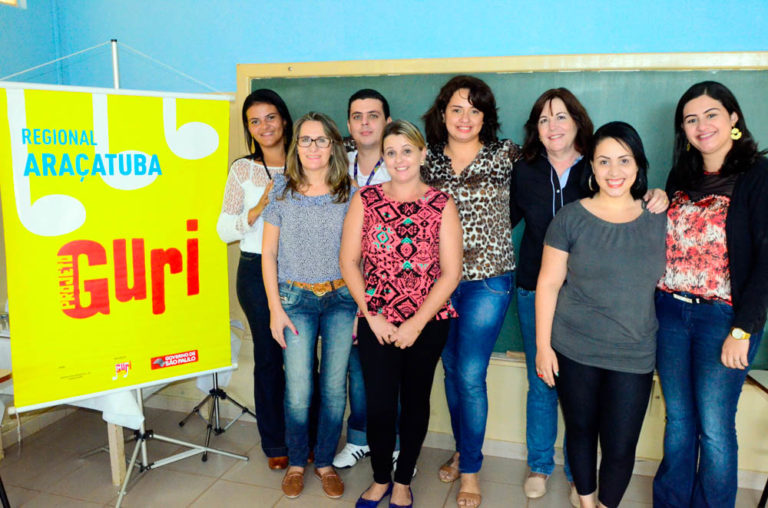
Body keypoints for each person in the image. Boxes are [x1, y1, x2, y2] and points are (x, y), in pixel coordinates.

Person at [510, 89, 668, 505]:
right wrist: (543, 347)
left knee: (620, 446)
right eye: (604, 161)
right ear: (592, 169)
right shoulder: (569, 217)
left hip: (633, 352)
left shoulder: (659, 218)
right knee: (579, 430)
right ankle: (581, 497)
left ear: (638, 166)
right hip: (574, 344)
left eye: (624, 160)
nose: (614, 171)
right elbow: (547, 284)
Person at [653, 81, 768, 508]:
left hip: (724, 319)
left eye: (711, 114)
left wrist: (743, 330)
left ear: (733, 117)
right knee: (678, 421)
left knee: (715, 428)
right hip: (669, 312)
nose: (702, 126)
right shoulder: (680, 176)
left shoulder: (758, 175)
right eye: (691, 119)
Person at [340, 119, 462, 508]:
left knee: (414, 402)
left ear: (422, 154)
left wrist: (415, 324)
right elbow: (348, 262)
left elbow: (451, 272)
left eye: (407, 150)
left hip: (427, 323)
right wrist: (371, 314)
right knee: (378, 404)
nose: (399, 159)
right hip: (376, 321)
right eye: (391, 152)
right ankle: (380, 479)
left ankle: (403, 479)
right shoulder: (365, 200)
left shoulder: (442, 204)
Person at [421, 75, 519, 508]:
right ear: (442, 113)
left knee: (470, 375)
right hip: (437, 282)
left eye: (475, 110)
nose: (465, 118)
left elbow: (562, 167)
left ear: (486, 117)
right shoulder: (425, 158)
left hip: (488, 280)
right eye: (457, 109)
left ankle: (472, 471)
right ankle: (462, 451)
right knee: (450, 368)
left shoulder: (506, 154)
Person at [262, 112, 357, 500]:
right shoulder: (281, 189)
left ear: (333, 146)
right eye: (305, 139)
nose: (313, 147)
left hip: (341, 301)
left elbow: (361, 255)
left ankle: (326, 463)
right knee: (299, 388)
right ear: (295, 146)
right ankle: (298, 462)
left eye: (321, 140)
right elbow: (268, 253)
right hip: (294, 300)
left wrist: (361, 307)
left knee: (334, 387)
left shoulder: (349, 192)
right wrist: (275, 308)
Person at [216, 88, 293, 470]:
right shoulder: (243, 170)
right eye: (254, 121)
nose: (264, 126)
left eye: (270, 117)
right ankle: (275, 442)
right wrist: (258, 207)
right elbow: (223, 230)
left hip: (301, 270)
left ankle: (306, 437)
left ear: (285, 119)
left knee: (302, 359)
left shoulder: (308, 160)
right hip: (255, 271)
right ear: (248, 128)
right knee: (268, 358)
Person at [334, 89, 393, 470]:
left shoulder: (401, 162)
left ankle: (395, 445)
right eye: (357, 116)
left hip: (387, 285)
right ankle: (358, 439)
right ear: (349, 124)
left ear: (388, 121)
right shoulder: (336, 162)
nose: (365, 123)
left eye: (373, 115)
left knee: (389, 370)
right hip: (342, 278)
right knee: (355, 368)